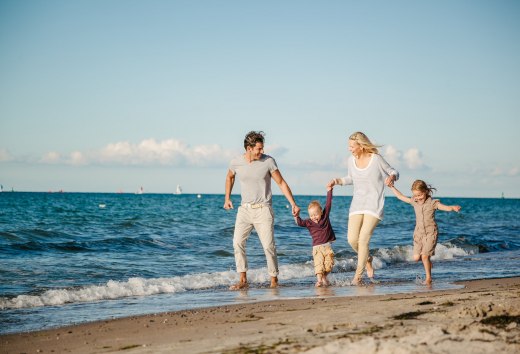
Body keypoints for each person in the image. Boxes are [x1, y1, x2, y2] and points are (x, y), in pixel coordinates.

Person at [224, 131, 300, 290]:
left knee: (268, 246)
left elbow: (281, 183)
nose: (262, 151)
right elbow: (230, 177)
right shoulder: (236, 162)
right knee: (237, 243)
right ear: (249, 148)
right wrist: (227, 198)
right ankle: (243, 280)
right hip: (244, 210)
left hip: (263, 210)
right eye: (259, 148)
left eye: (262, 148)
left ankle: (274, 280)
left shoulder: (269, 162)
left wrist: (293, 203)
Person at [327, 131, 399, 285]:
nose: (349, 149)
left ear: (361, 145)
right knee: (352, 239)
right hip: (357, 204)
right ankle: (367, 259)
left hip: (374, 205)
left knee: (363, 239)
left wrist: (391, 177)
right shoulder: (350, 161)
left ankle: (357, 277)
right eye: (348, 146)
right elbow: (351, 178)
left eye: (352, 146)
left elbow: (393, 171)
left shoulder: (376, 159)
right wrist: (336, 181)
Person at [389, 180, 461, 285]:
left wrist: (452, 208)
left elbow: (443, 207)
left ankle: (428, 278)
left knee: (424, 256)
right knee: (416, 258)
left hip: (430, 233)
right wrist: (392, 187)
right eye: (415, 195)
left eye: (420, 195)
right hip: (418, 233)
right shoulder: (414, 201)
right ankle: (428, 263)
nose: (418, 198)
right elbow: (400, 196)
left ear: (426, 191)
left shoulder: (432, 203)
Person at [294, 186, 336, 287]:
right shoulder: (309, 222)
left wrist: (329, 191)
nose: (314, 217)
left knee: (329, 266)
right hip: (317, 248)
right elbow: (299, 223)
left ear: (321, 212)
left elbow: (328, 204)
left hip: (327, 247)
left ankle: (324, 277)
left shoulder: (325, 217)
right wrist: (296, 215)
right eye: (311, 215)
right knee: (318, 265)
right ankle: (319, 281)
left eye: (316, 214)